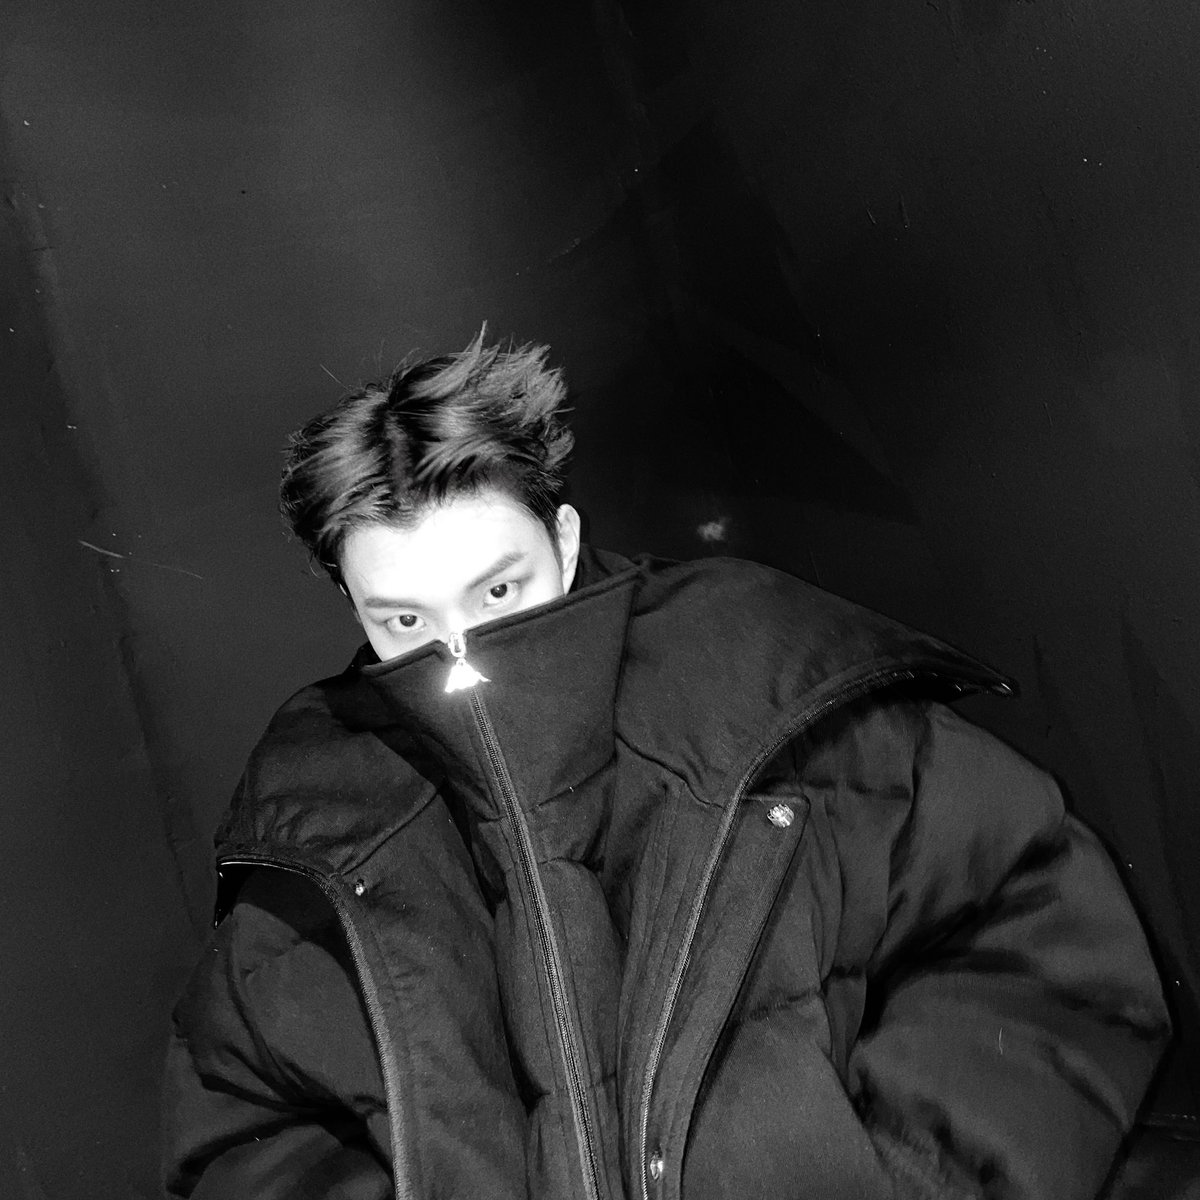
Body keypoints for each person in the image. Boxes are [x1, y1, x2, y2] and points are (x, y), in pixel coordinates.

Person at [163, 329, 1170, 1200]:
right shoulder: (323, 814)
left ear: (563, 539)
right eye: (404, 621)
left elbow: (1035, 935)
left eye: (499, 591)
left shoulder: (768, 690)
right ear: (353, 606)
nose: (457, 653)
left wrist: (911, 1185)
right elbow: (243, 1118)